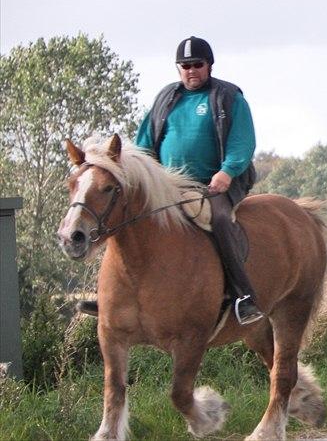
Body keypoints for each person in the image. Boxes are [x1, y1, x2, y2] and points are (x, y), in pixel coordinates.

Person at [77, 36, 263, 325]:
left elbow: (242, 141)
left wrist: (227, 171)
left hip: (215, 184)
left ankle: (243, 296)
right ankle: (109, 296)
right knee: (121, 217)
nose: (191, 70)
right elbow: (143, 143)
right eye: (185, 65)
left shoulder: (228, 97)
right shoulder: (167, 98)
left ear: (209, 65)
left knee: (221, 219)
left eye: (197, 64)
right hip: (169, 185)